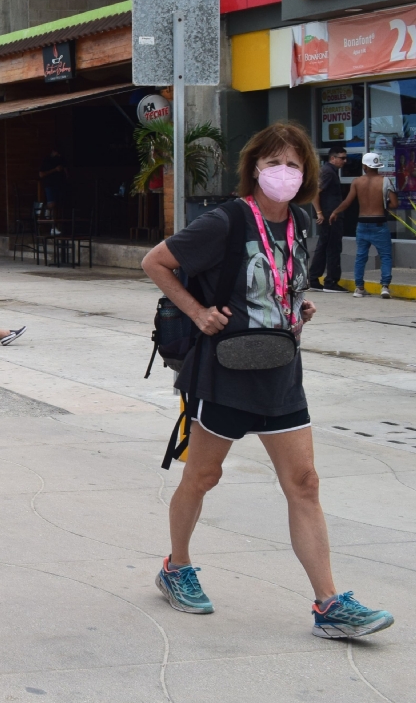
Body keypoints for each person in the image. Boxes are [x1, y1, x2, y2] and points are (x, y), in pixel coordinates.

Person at [142, 122, 394, 639]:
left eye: (295, 164)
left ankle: (328, 605)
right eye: (274, 162)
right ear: (254, 167)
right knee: (202, 478)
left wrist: (298, 301)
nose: (285, 172)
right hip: (225, 372)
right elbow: (156, 261)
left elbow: (285, 279)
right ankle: (176, 567)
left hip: (281, 370)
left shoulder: (304, 221)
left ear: (307, 173)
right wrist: (196, 311)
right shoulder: (226, 221)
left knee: (305, 483)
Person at [330, 150, 397, 299]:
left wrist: (335, 212)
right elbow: (394, 203)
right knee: (385, 256)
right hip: (379, 222)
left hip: (362, 223)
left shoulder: (357, 182)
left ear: (364, 166)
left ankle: (359, 288)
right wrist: (384, 204)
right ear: (377, 166)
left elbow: (347, 202)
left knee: (361, 256)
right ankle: (385, 287)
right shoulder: (385, 181)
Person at [309, 145, 350, 292]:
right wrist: (320, 212)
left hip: (330, 214)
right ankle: (330, 281)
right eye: (342, 158)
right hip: (330, 216)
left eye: (346, 158)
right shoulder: (328, 172)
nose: (344, 161)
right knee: (333, 247)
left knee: (324, 246)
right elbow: (315, 192)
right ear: (333, 158)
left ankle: (314, 278)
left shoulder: (330, 171)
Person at [39, 148, 68, 228]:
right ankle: (52, 225)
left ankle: (56, 226)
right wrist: (55, 170)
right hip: (50, 184)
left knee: (59, 206)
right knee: (52, 204)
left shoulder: (61, 159)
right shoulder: (47, 160)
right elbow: (41, 174)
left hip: (60, 185)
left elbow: (66, 171)